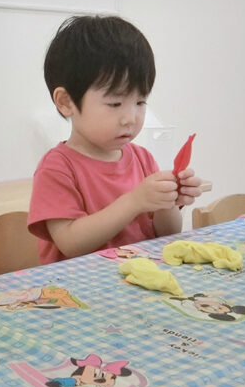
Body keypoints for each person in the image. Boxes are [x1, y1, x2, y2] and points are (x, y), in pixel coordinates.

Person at [28, 15, 203, 265]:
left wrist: (168, 202)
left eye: (140, 102)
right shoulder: (57, 168)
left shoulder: (142, 159)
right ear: (66, 102)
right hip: (79, 284)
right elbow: (70, 243)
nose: (130, 118)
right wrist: (134, 202)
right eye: (115, 103)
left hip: (139, 278)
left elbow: (167, 234)